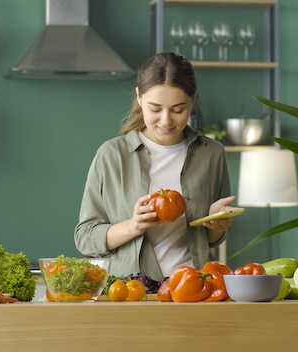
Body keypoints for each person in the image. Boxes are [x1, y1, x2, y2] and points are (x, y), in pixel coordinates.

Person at [74, 52, 238, 281]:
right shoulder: (111, 155)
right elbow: (85, 237)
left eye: (178, 110)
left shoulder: (212, 153)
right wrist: (133, 226)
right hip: (131, 292)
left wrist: (216, 223)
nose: (166, 120)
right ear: (139, 98)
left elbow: (211, 240)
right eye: (155, 108)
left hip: (191, 289)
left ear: (192, 100)